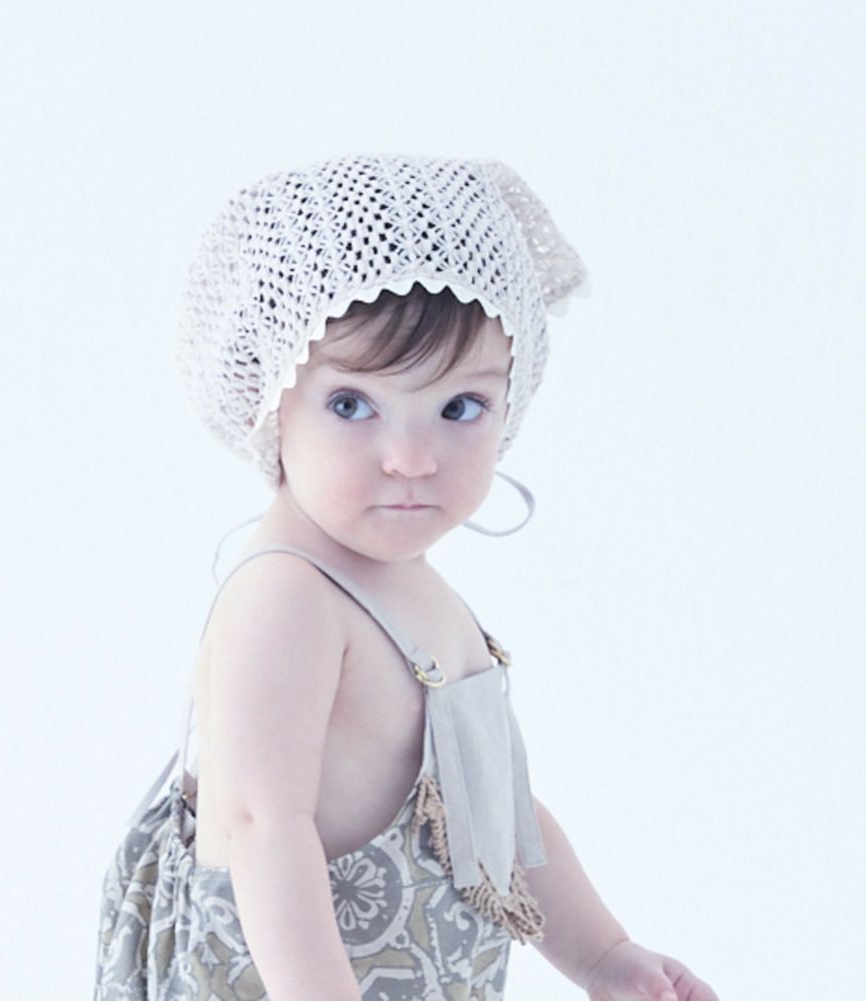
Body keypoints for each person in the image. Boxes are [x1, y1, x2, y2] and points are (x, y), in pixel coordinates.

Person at [93, 153, 719, 1001]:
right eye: (353, 405)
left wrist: (604, 957)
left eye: (461, 407)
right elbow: (261, 829)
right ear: (270, 397)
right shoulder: (285, 599)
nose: (413, 458)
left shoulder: (418, 589)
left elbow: (496, 815)